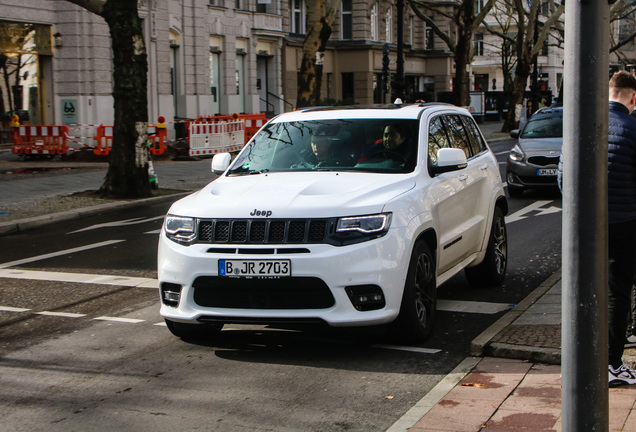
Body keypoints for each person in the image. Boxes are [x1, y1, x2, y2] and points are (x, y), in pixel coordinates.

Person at [605, 71, 636, 386]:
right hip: (623, 224)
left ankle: (581, 362)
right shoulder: (632, 127)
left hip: (584, 229)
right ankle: (612, 365)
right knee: (617, 294)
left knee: (585, 291)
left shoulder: (581, 126)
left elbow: (562, 176)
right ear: (633, 97)